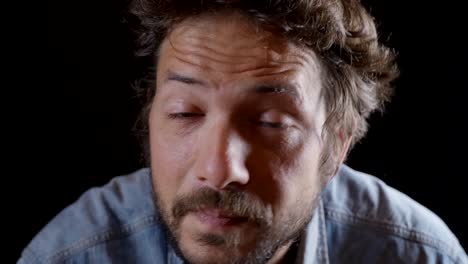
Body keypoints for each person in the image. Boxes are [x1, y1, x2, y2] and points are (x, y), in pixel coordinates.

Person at [19, 0, 467, 263]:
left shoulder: (418, 255)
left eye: (271, 122)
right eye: (185, 113)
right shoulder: (73, 254)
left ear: (337, 146)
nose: (219, 171)